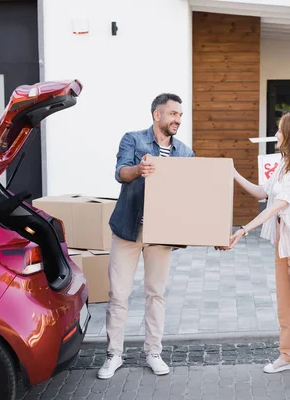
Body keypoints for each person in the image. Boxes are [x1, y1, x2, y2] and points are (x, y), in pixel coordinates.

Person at [97, 93, 195, 380]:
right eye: (173, 114)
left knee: (156, 294)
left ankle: (153, 352)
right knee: (119, 294)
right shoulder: (133, 140)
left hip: (161, 234)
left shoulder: (184, 152)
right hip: (128, 229)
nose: (177, 119)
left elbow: (190, 192)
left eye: (180, 115)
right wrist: (139, 170)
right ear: (157, 115)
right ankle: (114, 355)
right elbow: (121, 173)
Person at [225, 112, 290, 375]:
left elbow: (277, 206)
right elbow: (262, 192)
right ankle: (289, 356)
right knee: (285, 307)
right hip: (283, 245)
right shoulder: (284, 165)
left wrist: (243, 230)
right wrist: (233, 173)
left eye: (280, 131)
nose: (276, 135)